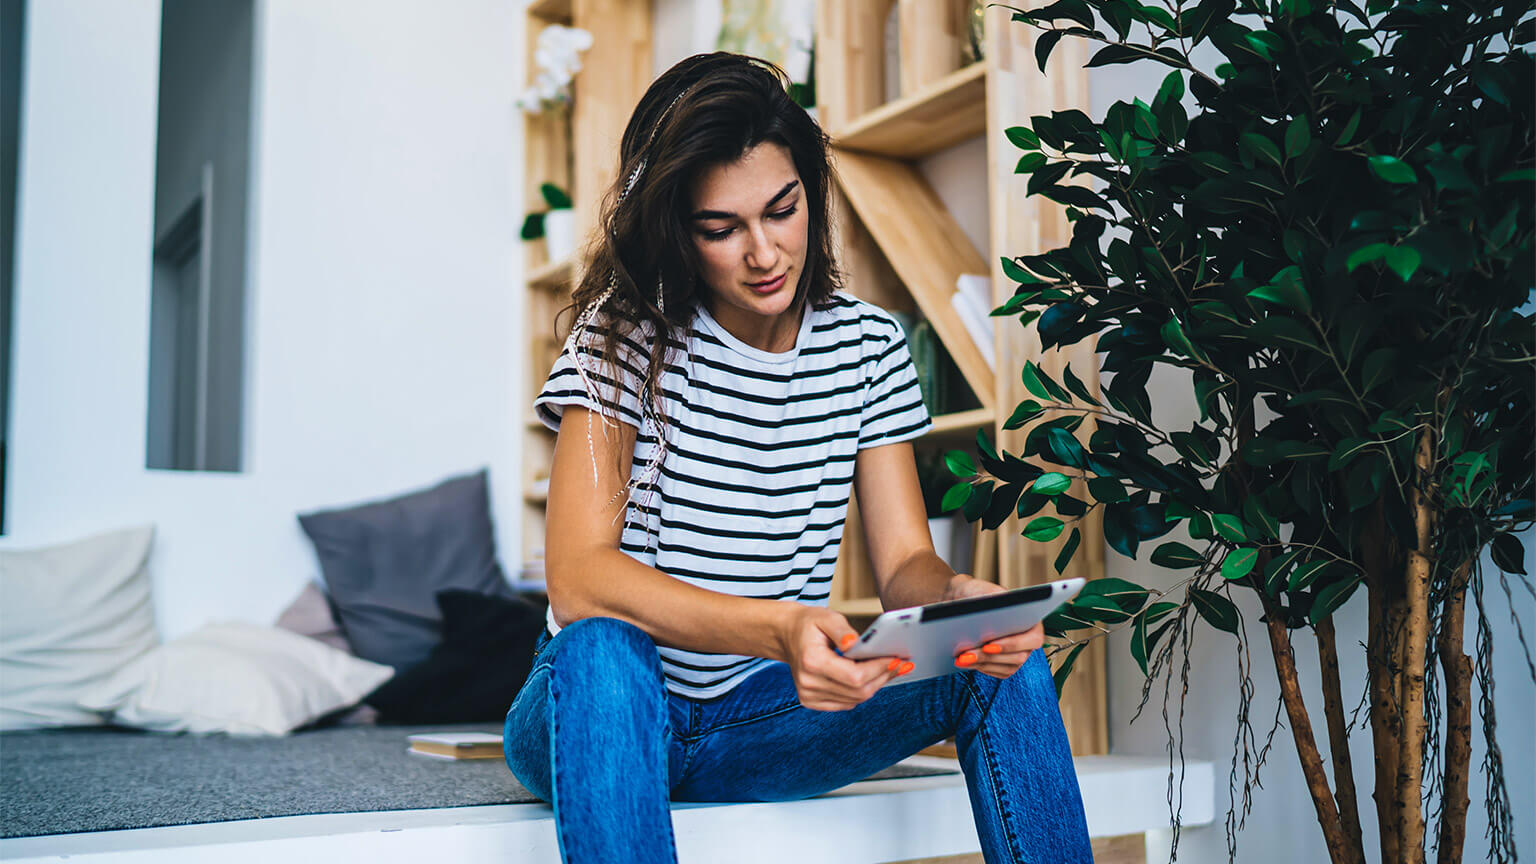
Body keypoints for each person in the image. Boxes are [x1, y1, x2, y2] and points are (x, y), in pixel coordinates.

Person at [503, 52, 1092, 864]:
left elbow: (907, 565)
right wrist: (779, 630)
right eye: (722, 228)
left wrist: (957, 599)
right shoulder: (623, 338)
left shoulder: (869, 346)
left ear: (811, 192)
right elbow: (579, 577)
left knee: (997, 658)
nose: (764, 252)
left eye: (782, 211)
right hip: (599, 708)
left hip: (759, 718)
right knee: (605, 646)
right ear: (680, 228)